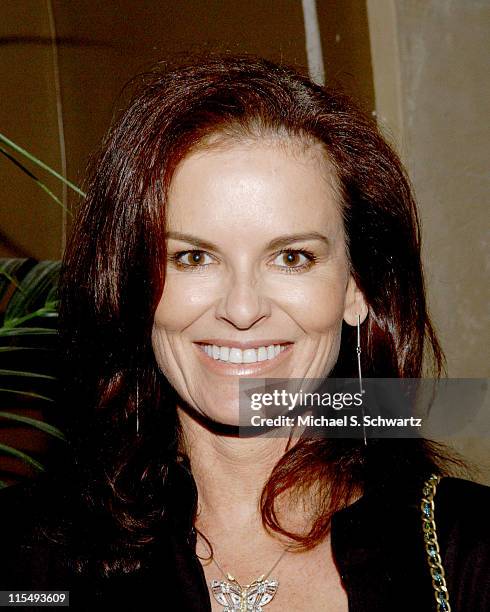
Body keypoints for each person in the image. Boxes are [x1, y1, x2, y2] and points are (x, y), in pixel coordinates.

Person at [1, 55, 489, 611]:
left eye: (291, 257)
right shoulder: (28, 561)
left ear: (358, 288)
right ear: (137, 287)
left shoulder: (468, 556)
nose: (240, 308)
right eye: (192, 257)